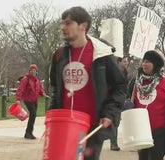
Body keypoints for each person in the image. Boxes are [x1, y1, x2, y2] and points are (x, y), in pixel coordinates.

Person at [49, 6, 126, 160]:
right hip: (64, 124)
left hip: (91, 127)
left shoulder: (102, 54)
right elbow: (56, 87)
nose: (63, 27)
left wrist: (110, 114)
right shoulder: (59, 55)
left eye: (68, 23)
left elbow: (120, 87)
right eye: (62, 23)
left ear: (83, 26)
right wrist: (52, 113)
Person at [129, 50, 165, 160]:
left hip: (160, 130)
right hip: (142, 129)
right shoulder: (135, 83)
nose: (144, 64)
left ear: (156, 65)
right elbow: (126, 99)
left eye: (148, 61)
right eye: (143, 61)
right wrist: (126, 105)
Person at [16, 64, 46, 139]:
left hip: (35, 100)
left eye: (34, 70)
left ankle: (29, 132)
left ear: (36, 71)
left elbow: (39, 88)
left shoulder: (36, 80)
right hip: (28, 99)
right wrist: (18, 99)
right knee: (33, 114)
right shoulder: (25, 79)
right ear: (29, 71)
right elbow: (21, 89)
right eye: (32, 70)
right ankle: (28, 133)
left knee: (33, 115)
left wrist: (42, 93)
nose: (33, 72)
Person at [110, 56, 129, 151]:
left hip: (122, 99)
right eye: (124, 61)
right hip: (114, 100)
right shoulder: (114, 73)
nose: (126, 63)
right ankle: (113, 143)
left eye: (127, 61)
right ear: (119, 62)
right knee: (115, 121)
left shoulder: (125, 72)